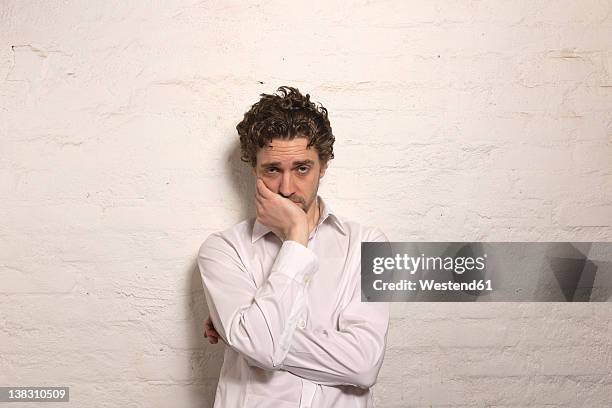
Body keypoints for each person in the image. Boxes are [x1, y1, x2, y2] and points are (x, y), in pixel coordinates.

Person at [197, 86, 390, 408]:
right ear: (253, 170)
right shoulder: (223, 250)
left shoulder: (368, 244)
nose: (286, 189)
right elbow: (260, 345)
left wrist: (247, 333)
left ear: (323, 165)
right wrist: (297, 236)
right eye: (272, 170)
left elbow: (364, 365)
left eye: (302, 168)